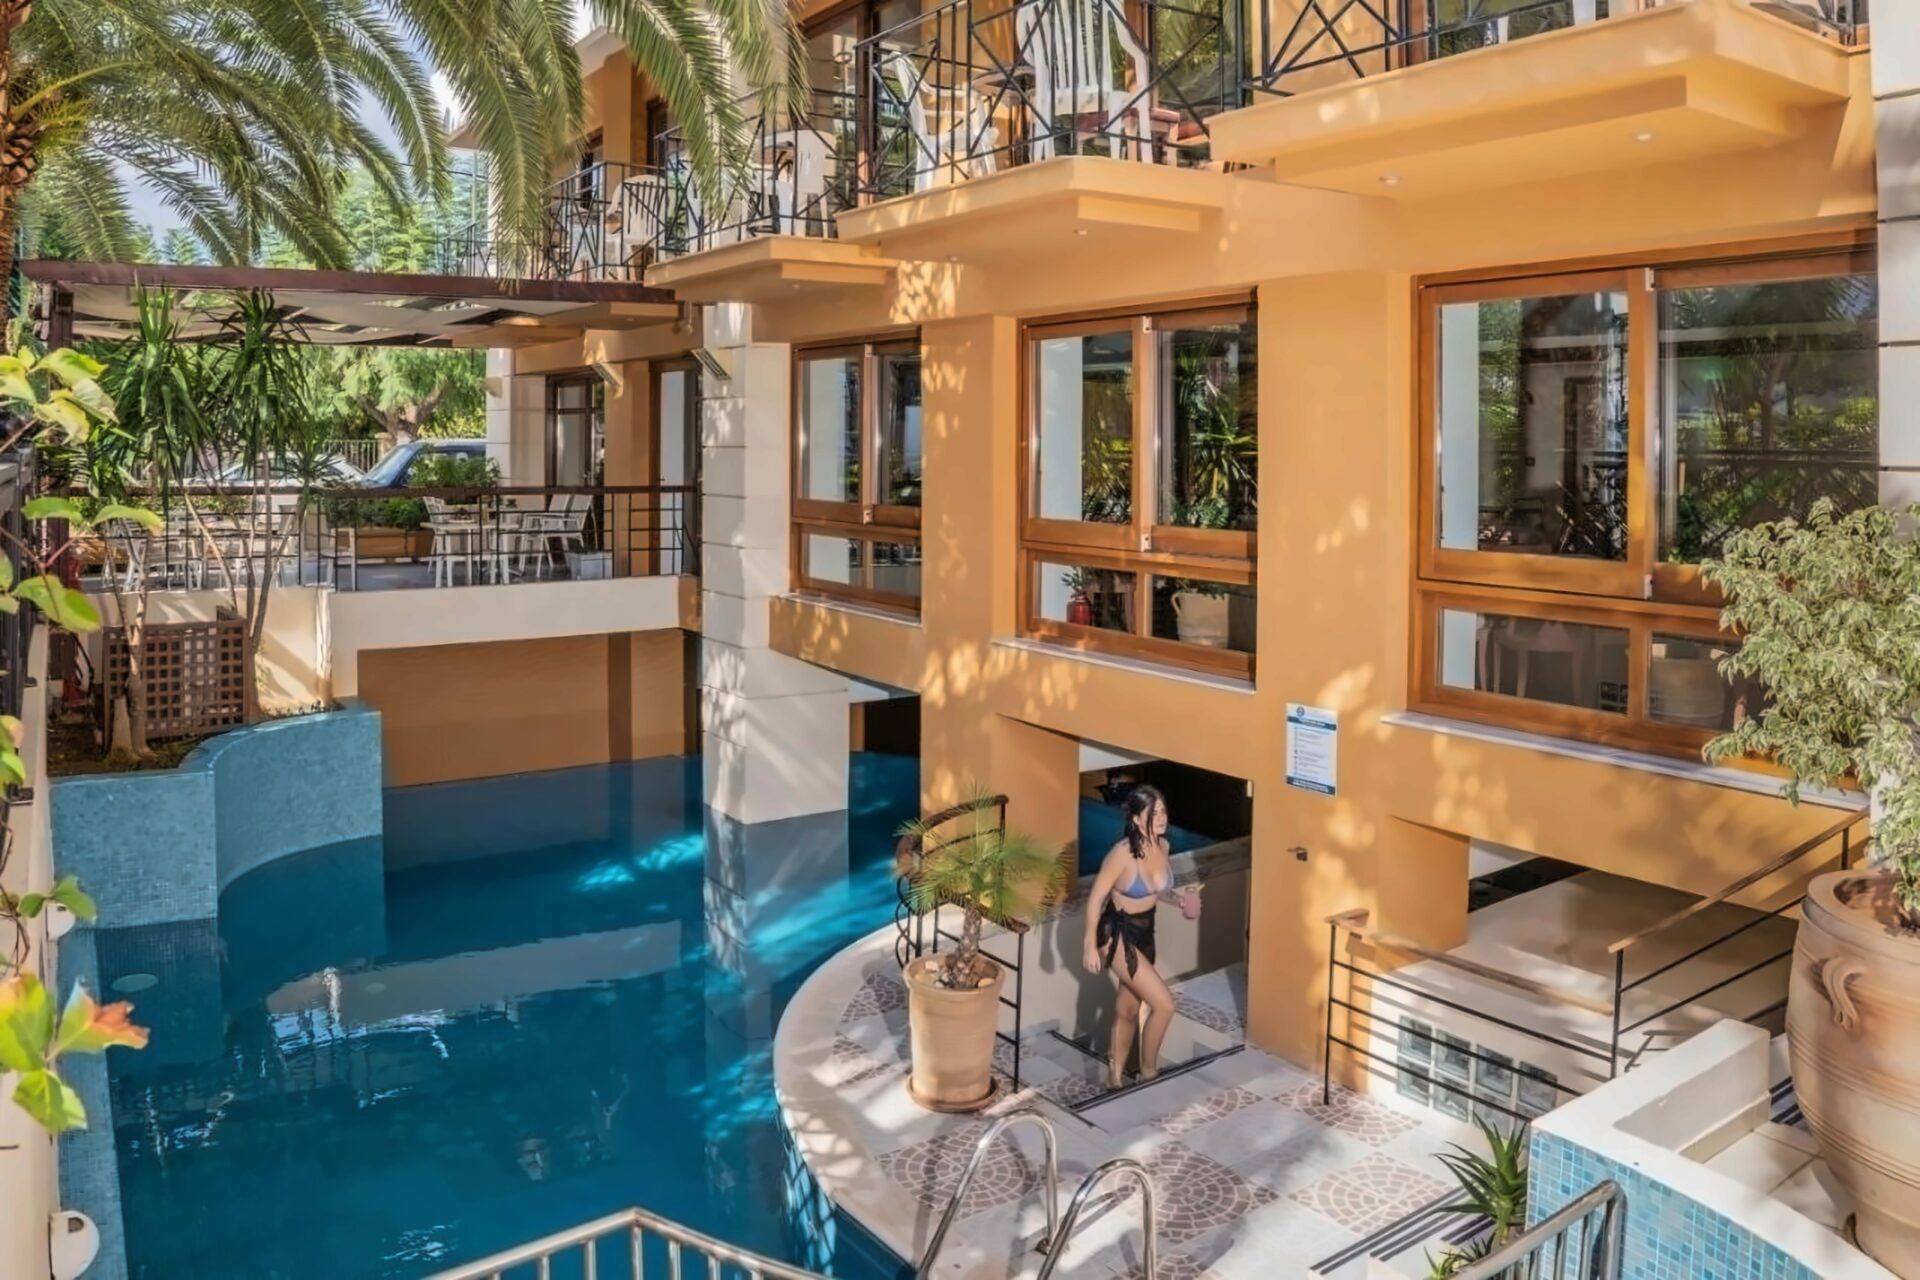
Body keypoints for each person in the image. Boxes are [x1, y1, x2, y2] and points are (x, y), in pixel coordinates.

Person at [1082, 785, 1200, 1087]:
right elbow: (1095, 899)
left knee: (1129, 1008)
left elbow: (1158, 891)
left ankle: (1115, 1078)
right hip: (1117, 934)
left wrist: (1182, 901)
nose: (1161, 818)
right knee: (1164, 1004)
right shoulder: (1121, 855)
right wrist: (1089, 947)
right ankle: (1149, 1072)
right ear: (1136, 819)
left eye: (1163, 811)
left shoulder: (1164, 846)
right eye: (1153, 813)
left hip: (1146, 932)